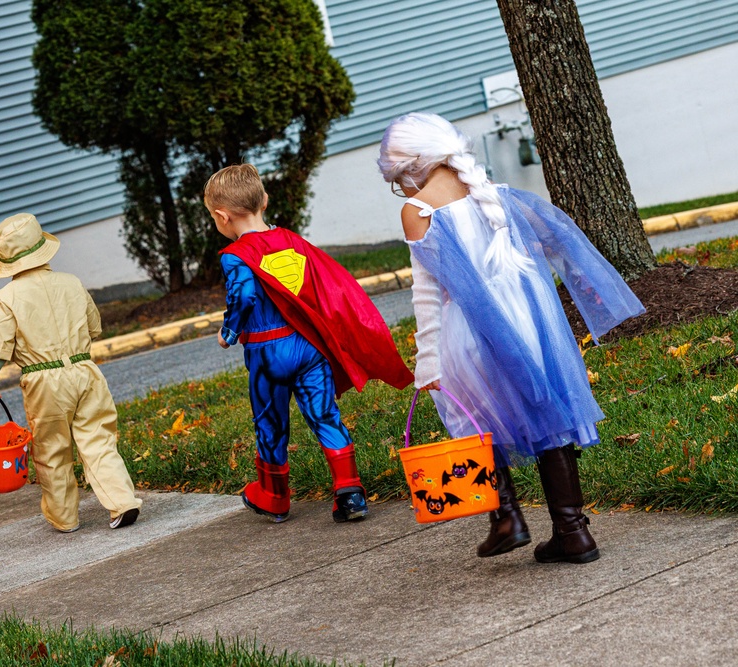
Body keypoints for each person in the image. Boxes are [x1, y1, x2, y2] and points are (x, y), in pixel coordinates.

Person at [378, 112, 644, 563]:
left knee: (478, 419)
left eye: (398, 177)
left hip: (470, 333)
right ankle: (574, 532)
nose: (402, 188)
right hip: (533, 326)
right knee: (546, 416)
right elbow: (549, 247)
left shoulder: (418, 211)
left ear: (413, 166)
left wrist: (429, 362)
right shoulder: (498, 197)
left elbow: (427, 295)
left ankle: (506, 519)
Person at [206, 164, 414, 523]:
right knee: (324, 415)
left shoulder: (234, 255)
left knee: (270, 422)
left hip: (266, 353)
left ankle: (273, 495)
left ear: (222, 217)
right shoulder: (291, 241)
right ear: (265, 201)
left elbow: (244, 296)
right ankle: (349, 491)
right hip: (307, 348)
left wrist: (228, 332)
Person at [0, 212, 142, 533]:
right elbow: (95, 327)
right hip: (84, 370)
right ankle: (122, 501)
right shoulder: (72, 282)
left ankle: (65, 518)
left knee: (52, 450)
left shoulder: (5, 298)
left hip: (43, 380)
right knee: (99, 440)